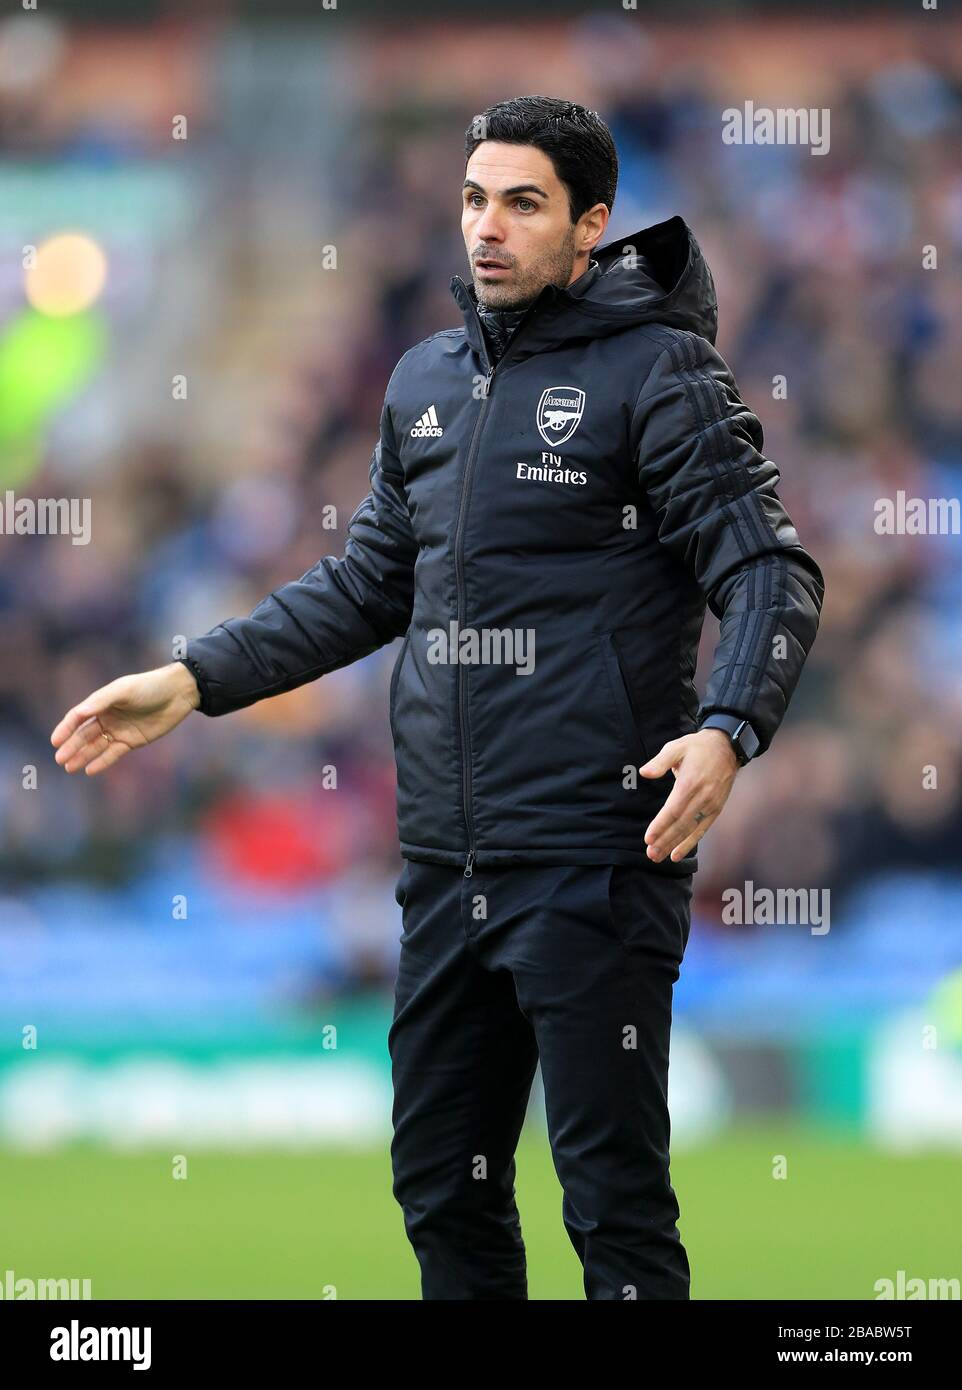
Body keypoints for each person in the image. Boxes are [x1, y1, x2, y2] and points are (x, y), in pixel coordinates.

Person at [51, 95, 824, 1300]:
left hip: (593, 853)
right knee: (439, 1193)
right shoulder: (425, 381)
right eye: (473, 199)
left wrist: (728, 731)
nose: (487, 228)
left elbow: (767, 567)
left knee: (611, 1209)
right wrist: (196, 676)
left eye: (523, 203)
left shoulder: (658, 374)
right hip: (446, 863)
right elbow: (367, 583)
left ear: (589, 226)